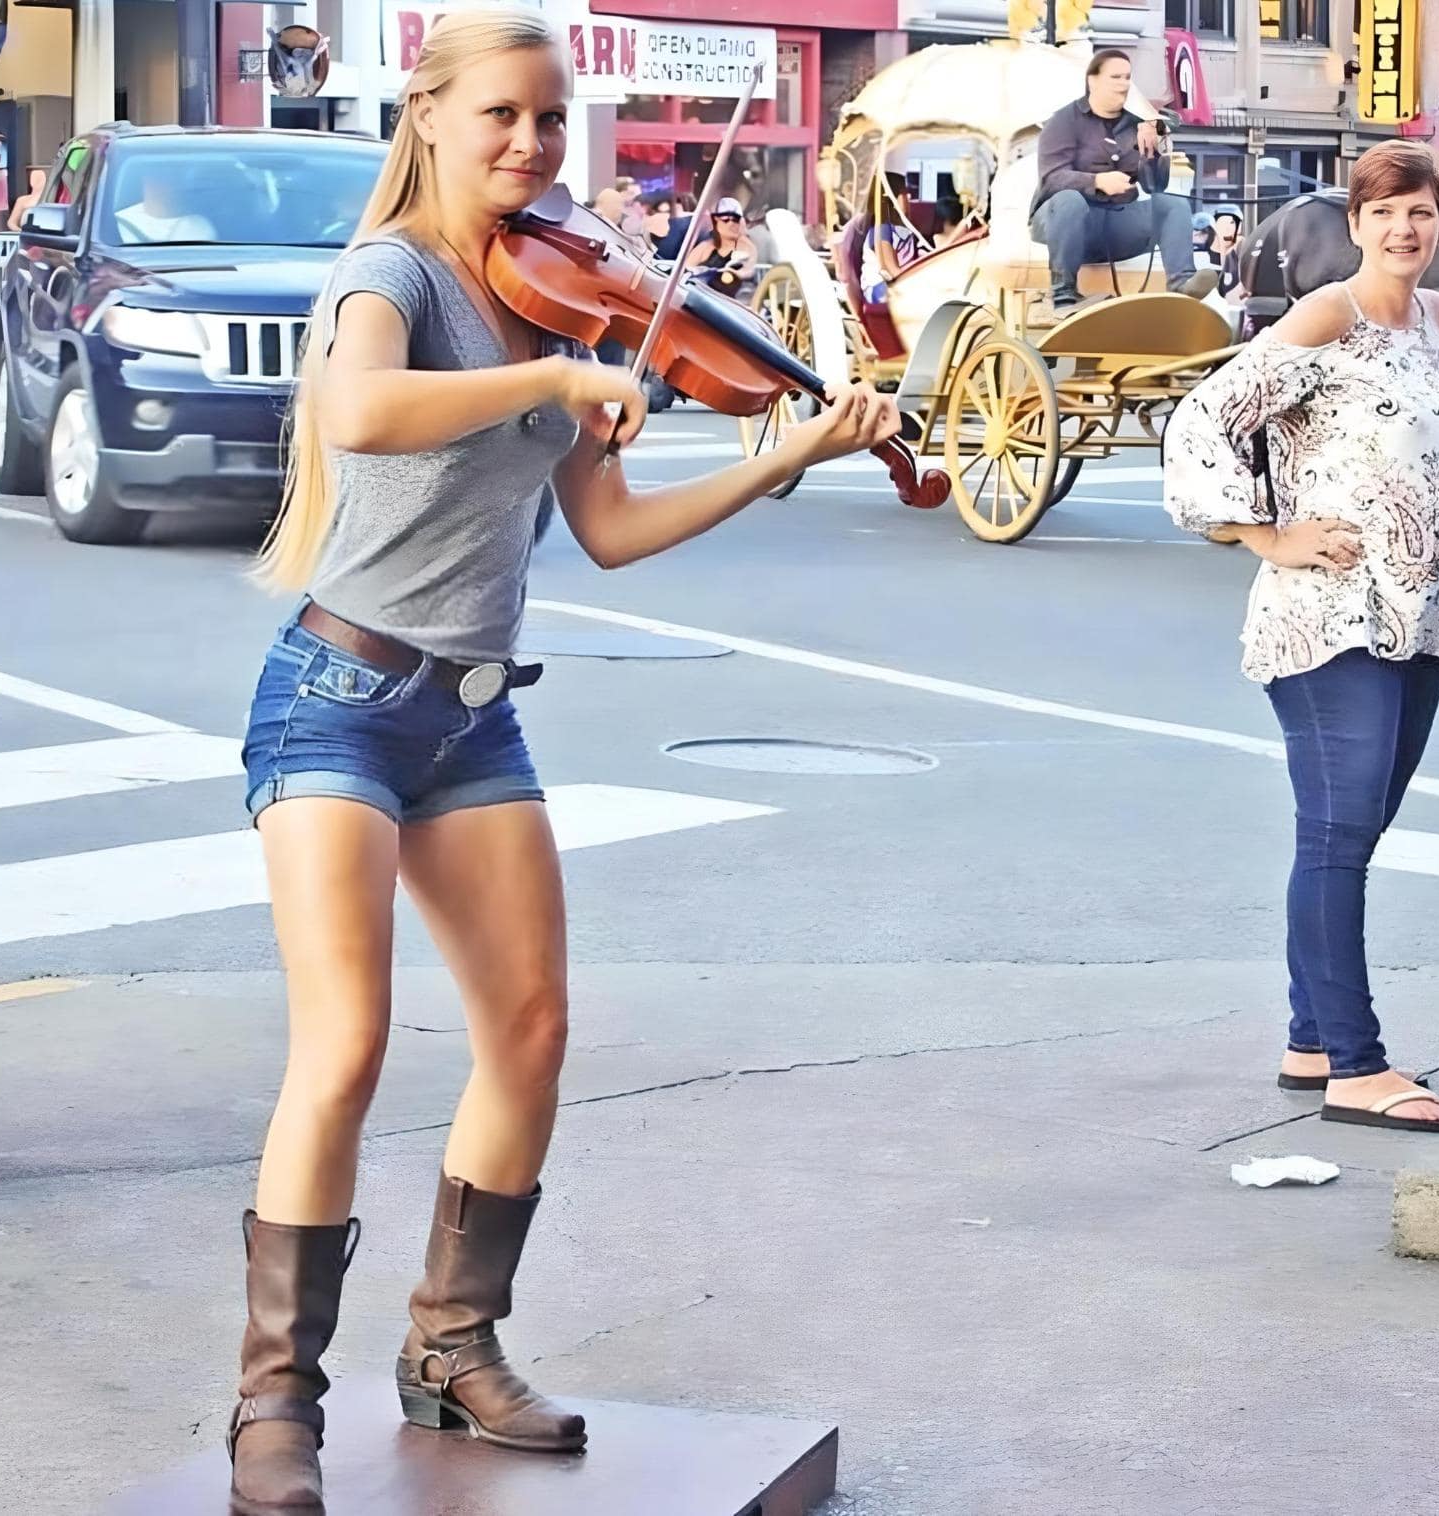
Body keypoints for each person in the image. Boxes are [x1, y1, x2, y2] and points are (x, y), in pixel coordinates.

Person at [227, 11, 901, 1512]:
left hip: (471, 712)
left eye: (550, 122)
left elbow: (609, 532)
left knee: (529, 1027)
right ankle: (274, 1401)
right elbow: (360, 408)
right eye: (504, 119)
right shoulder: (390, 279)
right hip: (337, 694)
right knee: (341, 1045)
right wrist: (546, 385)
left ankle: (452, 1347)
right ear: (430, 118)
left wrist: (782, 454)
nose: (531, 148)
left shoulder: (563, 301)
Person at [1161, 141, 1439, 1136]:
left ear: (1437, 221)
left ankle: (1309, 1037)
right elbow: (1205, 418)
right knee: (1337, 841)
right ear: (1353, 225)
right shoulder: (1324, 315)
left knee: (1352, 837)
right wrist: (1260, 533)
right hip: (1327, 618)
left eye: (1419, 212)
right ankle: (1354, 1064)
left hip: (1418, 618)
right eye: (1383, 213)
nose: (1403, 230)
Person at [1030, 47, 1208, 309]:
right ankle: (1063, 290)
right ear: (1093, 81)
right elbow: (1052, 178)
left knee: (1173, 204)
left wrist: (1152, 152)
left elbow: (1153, 186)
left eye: (1127, 77)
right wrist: (1097, 182)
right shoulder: (1064, 121)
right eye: (1115, 77)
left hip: (1116, 223)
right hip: (1065, 223)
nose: (1124, 84)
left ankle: (1183, 283)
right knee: (1070, 200)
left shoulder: (1135, 124)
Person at [859, 171, 920, 304]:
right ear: (890, 198)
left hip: (896, 283)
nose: (908, 198)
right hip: (879, 288)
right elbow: (890, 269)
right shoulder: (881, 228)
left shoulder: (904, 229)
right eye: (903, 194)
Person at [685, 195, 758, 300]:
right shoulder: (706, 247)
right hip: (698, 297)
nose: (731, 224)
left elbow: (749, 269)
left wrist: (737, 274)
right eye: (726, 220)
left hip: (727, 303)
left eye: (735, 220)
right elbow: (684, 271)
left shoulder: (746, 247)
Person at [6, 166, 48, 232]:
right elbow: (11, 222)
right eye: (35, 178)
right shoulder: (22, 200)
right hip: (24, 233)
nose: (37, 181)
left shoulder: (50, 200)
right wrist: (20, 231)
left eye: (40, 179)